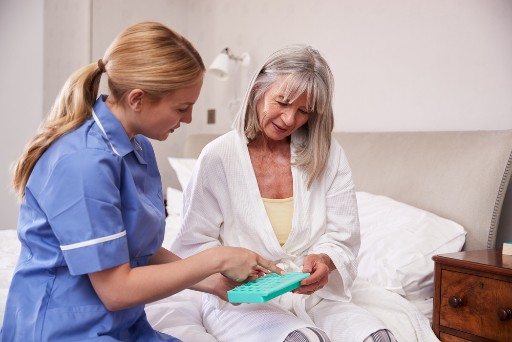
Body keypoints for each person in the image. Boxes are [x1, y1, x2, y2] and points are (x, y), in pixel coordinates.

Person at [1, 21, 284, 342]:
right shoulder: (82, 162)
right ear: (137, 99)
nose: (189, 119)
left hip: (123, 324)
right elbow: (116, 291)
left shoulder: (138, 147)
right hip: (62, 329)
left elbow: (132, 246)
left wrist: (213, 282)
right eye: (182, 107)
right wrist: (217, 258)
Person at [169, 45, 398, 342]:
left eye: (303, 111)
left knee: (378, 337)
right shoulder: (218, 157)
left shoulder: (327, 154)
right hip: (243, 301)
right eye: (282, 102)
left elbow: (343, 236)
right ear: (258, 89)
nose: (290, 119)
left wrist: (325, 260)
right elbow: (191, 245)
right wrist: (233, 271)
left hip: (315, 296)